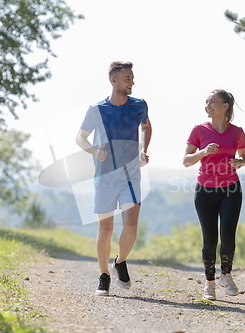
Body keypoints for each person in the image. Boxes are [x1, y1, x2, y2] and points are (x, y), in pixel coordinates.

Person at [75, 61, 152, 296]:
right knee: (105, 229)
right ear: (114, 81)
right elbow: (80, 138)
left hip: (131, 174)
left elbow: (146, 127)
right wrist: (94, 151)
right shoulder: (97, 109)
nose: (132, 82)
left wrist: (143, 149)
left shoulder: (139, 105)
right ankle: (104, 275)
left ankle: (120, 261)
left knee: (130, 226)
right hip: (105, 176)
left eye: (132, 77)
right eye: (128, 78)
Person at [183, 89, 245, 301]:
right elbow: (186, 160)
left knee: (228, 238)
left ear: (225, 106)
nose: (208, 106)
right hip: (205, 191)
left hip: (231, 188)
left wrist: (240, 162)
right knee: (210, 241)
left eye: (213, 102)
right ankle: (209, 284)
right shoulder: (199, 130)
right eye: (206, 102)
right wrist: (203, 153)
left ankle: (226, 275)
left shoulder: (237, 132)